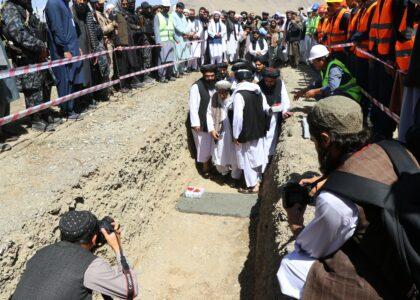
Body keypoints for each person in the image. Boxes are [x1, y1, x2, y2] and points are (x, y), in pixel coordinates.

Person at [277, 96, 419, 299]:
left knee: (291, 266)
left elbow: (311, 247)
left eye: (316, 141)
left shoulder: (335, 201)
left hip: (399, 284)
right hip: (409, 254)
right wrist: (335, 178)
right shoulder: (394, 148)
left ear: (325, 139)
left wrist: (295, 223)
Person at [12, 210, 138, 299]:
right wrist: (118, 247)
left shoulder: (41, 252)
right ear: (94, 239)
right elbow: (130, 291)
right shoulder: (90, 267)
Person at [2, 0, 56, 130]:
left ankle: (44, 113)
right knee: (33, 88)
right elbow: (18, 34)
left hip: (37, 55)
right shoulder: (10, 8)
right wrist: (40, 46)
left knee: (45, 84)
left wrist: (43, 44)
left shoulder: (25, 8)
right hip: (25, 57)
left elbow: (36, 27)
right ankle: (35, 119)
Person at [232, 68, 270, 194]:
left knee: (248, 159)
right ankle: (258, 180)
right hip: (259, 130)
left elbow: (237, 117)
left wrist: (236, 135)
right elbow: (266, 108)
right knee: (257, 156)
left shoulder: (239, 94)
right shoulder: (258, 91)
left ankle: (253, 186)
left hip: (246, 132)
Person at [294, 45, 361, 103]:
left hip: (351, 94)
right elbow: (318, 83)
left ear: (322, 60)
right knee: (320, 94)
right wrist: (303, 91)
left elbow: (332, 86)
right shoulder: (324, 67)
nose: (313, 64)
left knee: (327, 94)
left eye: (314, 61)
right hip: (341, 92)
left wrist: (314, 92)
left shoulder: (334, 67)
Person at [206, 80, 240, 180]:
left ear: (228, 91)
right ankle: (223, 173)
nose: (222, 95)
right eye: (220, 93)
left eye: (224, 93)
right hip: (219, 130)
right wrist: (211, 129)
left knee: (234, 154)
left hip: (232, 131)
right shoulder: (214, 98)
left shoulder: (234, 97)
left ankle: (235, 176)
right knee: (219, 152)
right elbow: (208, 113)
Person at [189, 64, 217, 177]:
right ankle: (205, 168)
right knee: (203, 145)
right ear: (203, 75)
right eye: (207, 76)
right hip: (201, 122)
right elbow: (193, 106)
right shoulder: (196, 87)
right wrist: (195, 123)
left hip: (214, 120)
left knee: (213, 145)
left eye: (212, 76)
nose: (210, 78)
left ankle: (214, 165)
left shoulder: (216, 84)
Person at [259, 68, 292, 157]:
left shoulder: (280, 83)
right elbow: (262, 102)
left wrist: (285, 111)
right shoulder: (259, 85)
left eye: (271, 81)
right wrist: (269, 109)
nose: (269, 83)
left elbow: (284, 98)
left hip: (276, 115)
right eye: (267, 81)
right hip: (264, 115)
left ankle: (269, 157)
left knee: (272, 136)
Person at [153, 0, 176, 83]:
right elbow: (156, 29)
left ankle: (168, 76)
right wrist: (158, 41)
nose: (167, 9)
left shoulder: (170, 16)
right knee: (162, 60)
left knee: (170, 60)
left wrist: (176, 39)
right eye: (165, 7)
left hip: (170, 40)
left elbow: (172, 29)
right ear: (162, 7)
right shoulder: (157, 16)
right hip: (162, 41)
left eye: (168, 7)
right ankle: (161, 77)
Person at [172, 2, 190, 76]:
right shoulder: (173, 15)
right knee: (177, 55)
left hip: (184, 38)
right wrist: (184, 32)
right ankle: (175, 72)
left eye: (182, 9)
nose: (181, 10)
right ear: (177, 8)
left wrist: (186, 33)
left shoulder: (182, 15)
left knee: (183, 55)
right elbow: (176, 26)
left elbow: (186, 25)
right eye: (180, 8)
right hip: (177, 38)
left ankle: (181, 71)